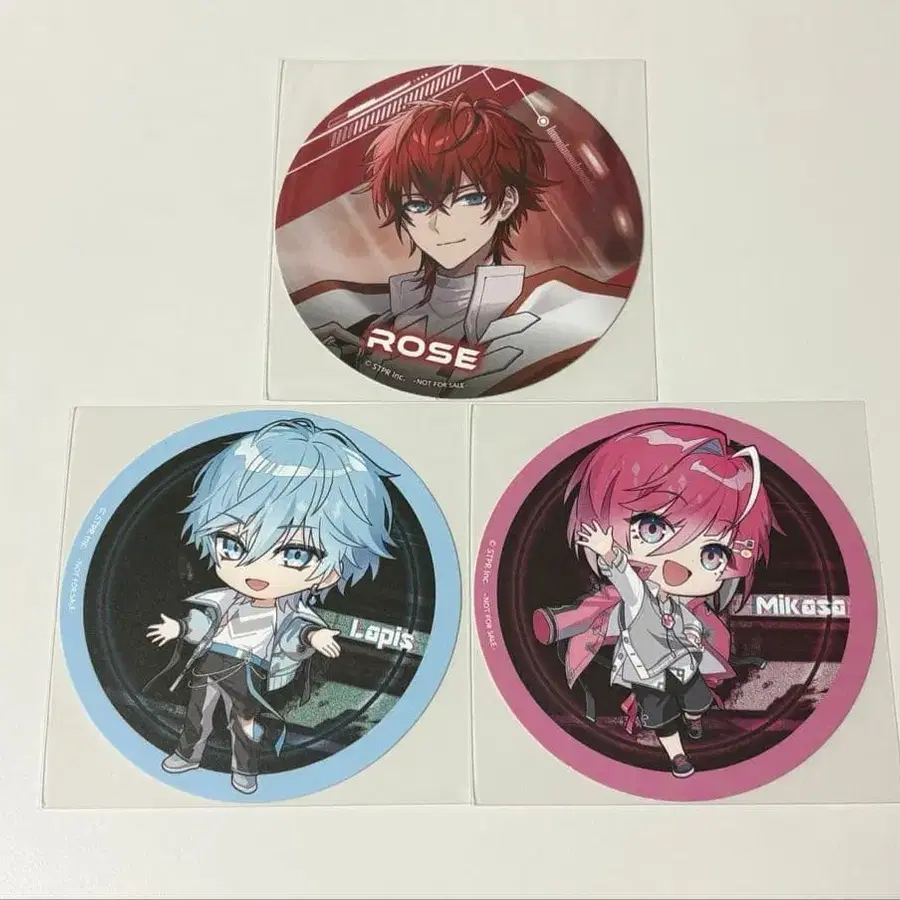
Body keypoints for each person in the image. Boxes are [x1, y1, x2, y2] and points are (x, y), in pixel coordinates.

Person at [297, 93, 631, 396]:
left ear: (506, 203)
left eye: (469, 199)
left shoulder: (551, 306)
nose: (440, 223)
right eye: (418, 205)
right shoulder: (379, 314)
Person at [145, 418, 394, 794]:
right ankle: (187, 755)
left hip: (249, 670)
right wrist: (179, 627)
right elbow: (206, 621)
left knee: (245, 725)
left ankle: (245, 771)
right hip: (211, 661)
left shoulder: (287, 612)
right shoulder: (226, 598)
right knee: (198, 714)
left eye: (296, 553)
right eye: (232, 544)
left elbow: (296, 632)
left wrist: (315, 636)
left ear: (330, 572)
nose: (256, 568)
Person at [532, 423, 777, 777]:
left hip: (685, 667)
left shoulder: (690, 607)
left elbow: (696, 626)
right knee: (661, 719)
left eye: (712, 554)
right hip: (647, 676)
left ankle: (694, 719)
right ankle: (678, 756)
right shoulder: (636, 596)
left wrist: (693, 636)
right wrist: (608, 551)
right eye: (652, 529)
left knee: (697, 703)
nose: (679, 564)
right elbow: (625, 579)